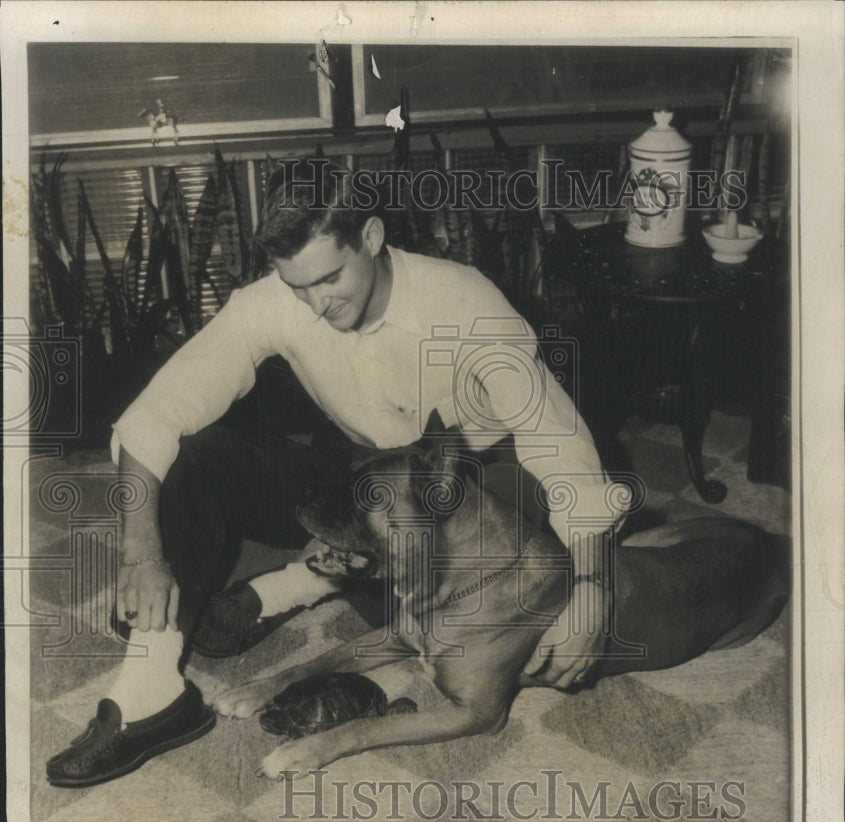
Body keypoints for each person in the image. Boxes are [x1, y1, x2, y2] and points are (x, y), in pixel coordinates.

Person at [46, 161, 624, 788]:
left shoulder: (465, 298)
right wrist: (141, 552)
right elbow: (154, 413)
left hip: (473, 494)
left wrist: (591, 583)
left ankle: (304, 581)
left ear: (371, 237)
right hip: (361, 478)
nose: (317, 306)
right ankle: (150, 689)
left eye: (329, 278)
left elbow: (558, 443)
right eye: (299, 289)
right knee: (194, 455)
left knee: (448, 624)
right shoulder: (272, 299)